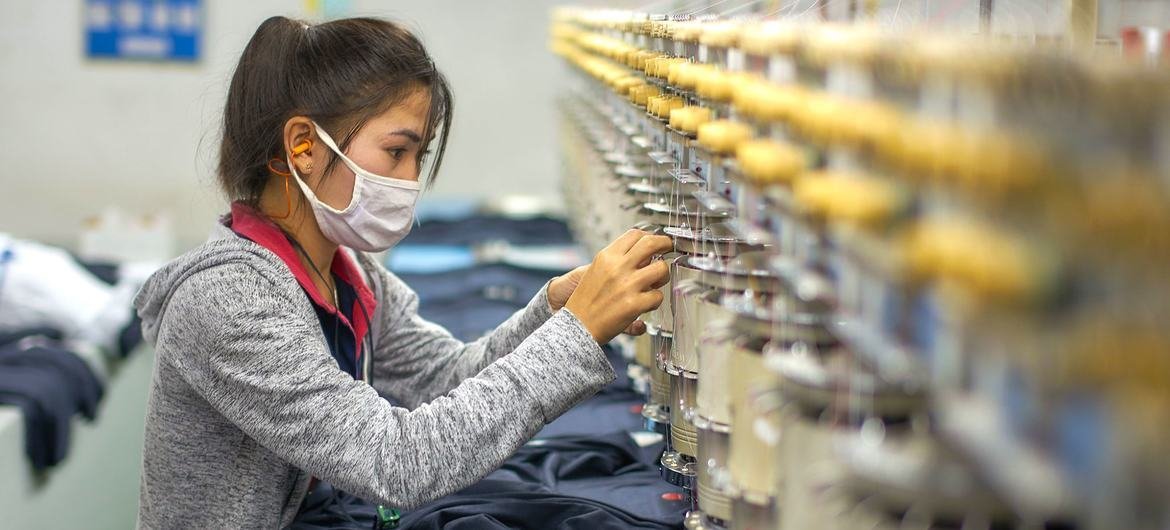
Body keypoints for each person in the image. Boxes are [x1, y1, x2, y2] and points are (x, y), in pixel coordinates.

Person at [132, 15, 672, 529]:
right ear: (302, 147)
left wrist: (553, 311)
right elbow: (398, 462)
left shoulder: (345, 274)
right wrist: (576, 334)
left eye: (420, 154)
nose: (412, 180)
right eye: (397, 151)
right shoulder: (230, 300)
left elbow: (442, 378)